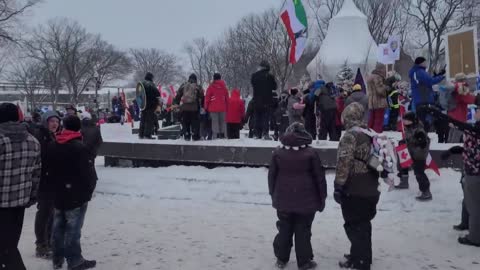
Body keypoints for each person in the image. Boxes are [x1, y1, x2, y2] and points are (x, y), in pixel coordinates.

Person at [268, 122, 327, 270]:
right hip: (306, 201)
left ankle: (281, 258)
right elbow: (319, 178)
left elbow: (272, 177)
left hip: (283, 199)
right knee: (303, 231)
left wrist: (273, 194)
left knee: (284, 228)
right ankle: (304, 261)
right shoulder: (311, 153)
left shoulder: (278, 152)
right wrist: (322, 198)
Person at [47, 115, 97, 270]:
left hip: (58, 194)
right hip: (76, 195)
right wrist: (88, 192)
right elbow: (88, 174)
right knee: (73, 230)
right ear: (78, 128)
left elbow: (47, 170)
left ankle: (57, 258)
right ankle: (75, 261)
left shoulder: (53, 144)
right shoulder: (80, 148)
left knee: (58, 227)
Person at [334, 102, 380, 270]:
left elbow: (343, 163)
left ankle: (361, 262)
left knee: (354, 225)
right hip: (371, 186)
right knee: (364, 224)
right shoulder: (369, 133)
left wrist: (338, 186)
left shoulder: (350, 136)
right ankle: (361, 254)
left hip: (355, 188)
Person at [428, 106, 480, 247]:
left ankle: (475, 238)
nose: (476, 112)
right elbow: (472, 147)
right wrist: (453, 150)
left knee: (475, 206)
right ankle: (467, 224)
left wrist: (438, 114)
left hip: (475, 173)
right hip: (471, 171)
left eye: (479, 109)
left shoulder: (476, 129)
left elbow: (459, 125)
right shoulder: (475, 129)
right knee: (470, 202)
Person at [0, 103, 41, 270]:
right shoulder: (33, 141)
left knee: (5, 250)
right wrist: (31, 196)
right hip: (19, 202)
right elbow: (36, 174)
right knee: (9, 244)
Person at [29, 111, 61, 259]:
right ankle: (41, 244)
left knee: (51, 213)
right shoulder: (40, 136)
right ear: (45, 122)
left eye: (56, 121)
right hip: (43, 181)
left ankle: (49, 241)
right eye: (51, 121)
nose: (55, 124)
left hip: (52, 179)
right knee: (44, 213)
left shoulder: (52, 136)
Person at [395, 112, 432, 201]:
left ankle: (426, 192)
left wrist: (413, 142)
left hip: (419, 154)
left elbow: (423, 143)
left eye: (406, 120)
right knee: (402, 160)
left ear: (412, 121)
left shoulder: (419, 130)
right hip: (411, 151)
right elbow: (409, 138)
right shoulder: (409, 127)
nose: (404, 121)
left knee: (419, 173)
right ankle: (404, 181)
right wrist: (403, 142)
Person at [409, 57, 445, 132]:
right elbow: (430, 82)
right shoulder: (420, 72)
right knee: (424, 121)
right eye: (425, 62)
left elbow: (425, 81)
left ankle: (421, 135)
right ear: (421, 63)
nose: (426, 64)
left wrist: (437, 75)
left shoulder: (416, 72)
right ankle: (422, 136)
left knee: (422, 120)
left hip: (419, 99)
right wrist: (441, 76)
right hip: (423, 98)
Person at [251, 60, 278, 139]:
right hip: (266, 100)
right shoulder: (270, 76)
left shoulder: (254, 76)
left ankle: (256, 133)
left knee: (257, 117)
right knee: (265, 118)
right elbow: (274, 87)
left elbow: (253, 84)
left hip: (256, 100)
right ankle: (264, 133)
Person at [447, 73, 476, 143]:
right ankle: (453, 151)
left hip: (451, 114)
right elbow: (468, 99)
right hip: (459, 116)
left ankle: (448, 148)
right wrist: (475, 97)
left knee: (451, 134)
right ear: (462, 80)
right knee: (457, 135)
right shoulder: (461, 87)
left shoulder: (454, 86)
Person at [174, 74, 205, 141]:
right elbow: (202, 97)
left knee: (185, 122)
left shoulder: (184, 85)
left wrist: (177, 104)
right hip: (195, 108)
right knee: (195, 122)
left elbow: (178, 95)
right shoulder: (198, 86)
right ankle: (195, 136)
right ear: (195, 79)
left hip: (185, 108)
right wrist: (202, 106)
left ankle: (187, 136)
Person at [205, 73, 229, 139]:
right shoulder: (224, 87)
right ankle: (223, 135)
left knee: (214, 122)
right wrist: (227, 107)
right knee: (223, 122)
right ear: (220, 78)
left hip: (213, 108)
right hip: (223, 107)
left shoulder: (211, 87)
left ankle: (216, 136)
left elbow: (207, 98)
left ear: (214, 78)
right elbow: (227, 98)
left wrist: (206, 107)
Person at [366, 63, 389, 133]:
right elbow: (380, 90)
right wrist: (386, 87)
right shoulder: (378, 77)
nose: (385, 70)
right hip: (379, 102)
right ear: (380, 69)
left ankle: (369, 136)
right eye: (383, 68)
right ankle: (377, 137)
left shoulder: (370, 77)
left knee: (371, 121)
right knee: (378, 122)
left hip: (371, 102)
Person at [138, 72, 161, 139]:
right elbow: (157, 94)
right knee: (149, 120)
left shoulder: (142, 84)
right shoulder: (151, 84)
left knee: (143, 119)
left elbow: (138, 95)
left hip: (143, 105)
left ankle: (141, 134)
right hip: (151, 105)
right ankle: (147, 135)